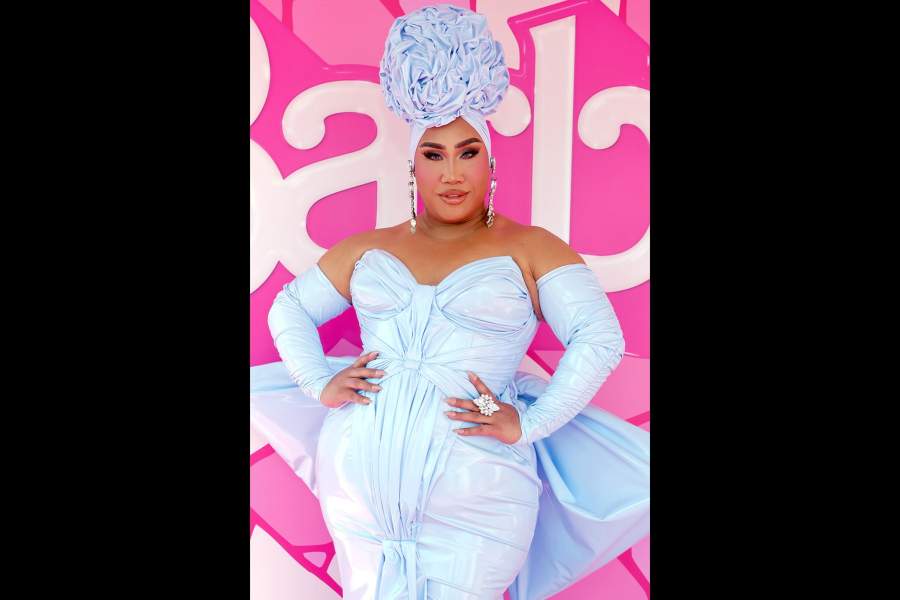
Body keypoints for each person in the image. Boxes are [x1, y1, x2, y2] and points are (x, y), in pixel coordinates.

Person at [250, 4, 649, 599]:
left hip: (478, 497)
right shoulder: (369, 248)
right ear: (413, 164)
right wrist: (317, 382)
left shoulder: (531, 248)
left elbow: (600, 338)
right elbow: (288, 308)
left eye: (468, 152)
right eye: (434, 155)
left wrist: (531, 422)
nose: (452, 173)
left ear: (490, 158)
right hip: (360, 498)